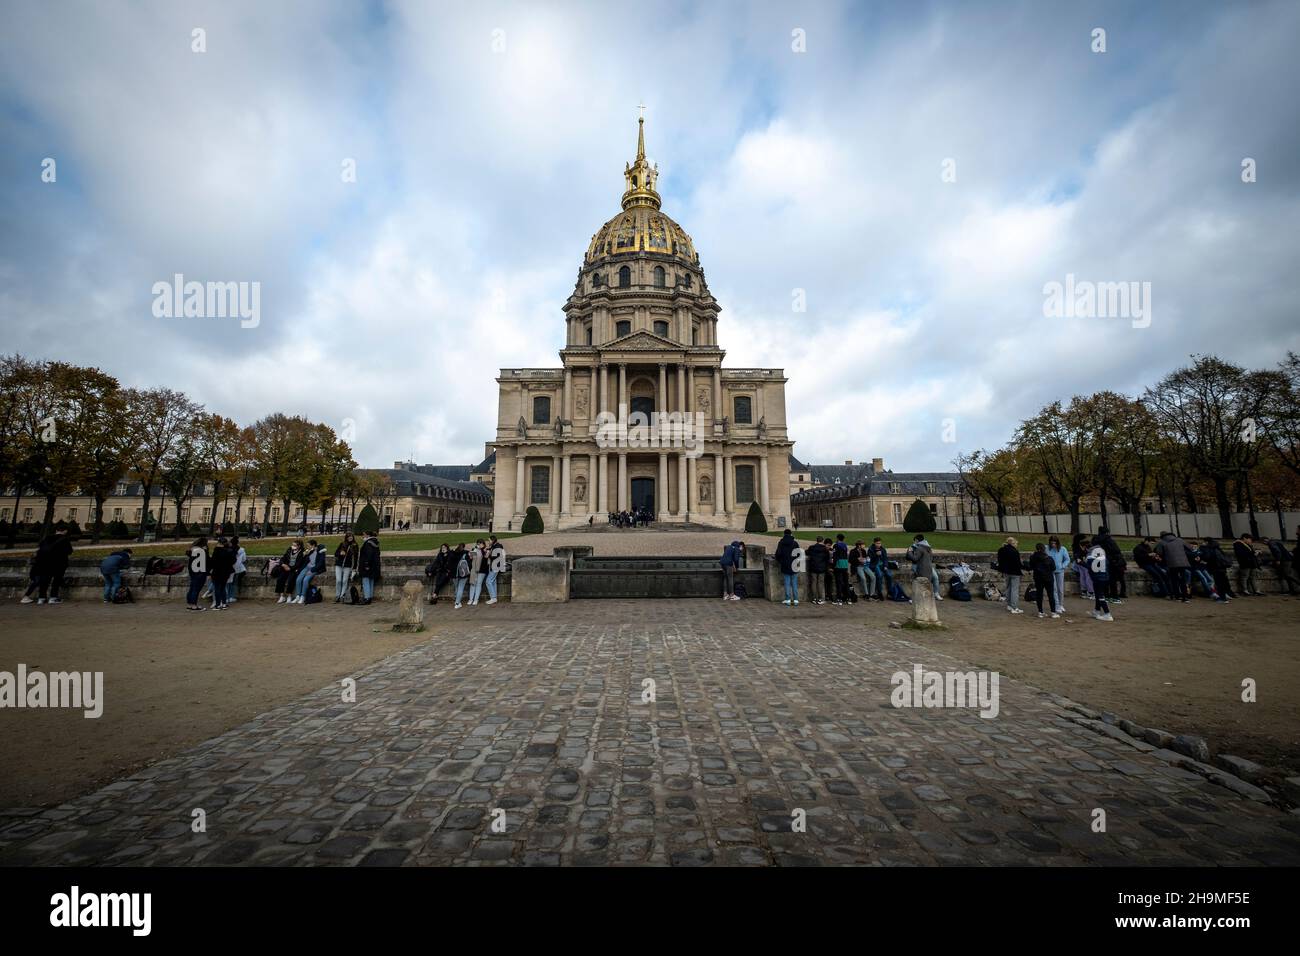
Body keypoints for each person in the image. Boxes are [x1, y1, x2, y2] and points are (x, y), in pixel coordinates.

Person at [1155, 531, 1190, 602]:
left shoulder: (1162, 542)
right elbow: (1190, 548)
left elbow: (1159, 553)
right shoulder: (1180, 540)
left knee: (1174, 580)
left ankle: (1177, 597)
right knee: (1183, 580)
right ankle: (1185, 597)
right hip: (1183, 563)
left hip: (1172, 563)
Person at [1095, 526, 1126, 604]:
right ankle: (1114, 596)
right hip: (1110, 561)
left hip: (1099, 561)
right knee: (1112, 580)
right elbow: (1116, 551)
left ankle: (1106, 595)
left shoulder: (1095, 540)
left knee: (1103, 579)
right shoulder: (1109, 540)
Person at [1085, 537, 1113, 621]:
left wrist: (1081, 562)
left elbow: (1089, 565)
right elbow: (1107, 563)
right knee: (1098, 594)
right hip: (1104, 576)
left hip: (1098, 577)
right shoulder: (1102, 552)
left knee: (1100, 595)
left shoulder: (1091, 552)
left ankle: (1107, 614)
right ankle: (1096, 611)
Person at [905, 534, 939, 603]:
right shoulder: (928, 547)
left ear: (917, 540)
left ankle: (915, 598)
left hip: (921, 567)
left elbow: (915, 558)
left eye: (915, 541)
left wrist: (909, 552)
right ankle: (929, 597)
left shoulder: (920, 548)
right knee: (926, 582)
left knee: (919, 582)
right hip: (926, 567)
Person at [1029, 543, 1058, 618]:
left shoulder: (1033, 557)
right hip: (1048, 578)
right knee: (1051, 595)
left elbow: (1031, 566)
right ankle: (1053, 612)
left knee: (1039, 594)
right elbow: (1053, 568)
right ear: (1044, 549)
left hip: (1038, 578)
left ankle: (1040, 612)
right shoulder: (1049, 558)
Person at [995, 536, 1024, 614]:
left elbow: (1000, 561)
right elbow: (1018, 563)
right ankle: (1014, 607)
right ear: (1013, 543)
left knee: (1008, 588)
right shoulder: (1014, 551)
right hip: (1015, 572)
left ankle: (1009, 605)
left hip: (1006, 571)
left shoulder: (1001, 550)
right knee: (1014, 590)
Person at [1046, 535, 1070, 614]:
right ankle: (1056, 606)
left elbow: (1067, 559)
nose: (1053, 545)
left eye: (1054, 543)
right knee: (1054, 589)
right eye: (1051, 543)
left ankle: (1061, 604)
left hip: (1060, 571)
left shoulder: (1063, 549)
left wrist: (1063, 566)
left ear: (1057, 543)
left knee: (1060, 589)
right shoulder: (1047, 548)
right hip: (1050, 571)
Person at [775, 529, 800, 606]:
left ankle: (788, 599)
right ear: (791, 534)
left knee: (787, 583)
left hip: (785, 564)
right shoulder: (795, 543)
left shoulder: (781, 543)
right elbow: (799, 553)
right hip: (794, 564)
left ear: (784, 534)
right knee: (794, 583)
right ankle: (795, 600)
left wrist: (781, 561)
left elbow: (778, 554)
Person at [208, 537, 234, 610]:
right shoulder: (229, 551)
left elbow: (213, 562)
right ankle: (224, 604)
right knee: (223, 588)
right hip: (226, 572)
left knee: (217, 588)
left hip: (217, 572)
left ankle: (218, 604)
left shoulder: (217, 550)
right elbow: (233, 561)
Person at [186, 536, 210, 611]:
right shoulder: (203, 551)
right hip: (200, 571)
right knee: (196, 589)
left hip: (193, 571)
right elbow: (207, 561)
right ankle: (194, 605)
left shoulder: (193, 550)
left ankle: (190, 604)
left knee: (192, 588)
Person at [357, 531, 382, 604]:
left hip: (367, 565)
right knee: (371, 581)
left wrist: (366, 564)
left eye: (364, 535)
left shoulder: (368, 543)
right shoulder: (375, 542)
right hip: (374, 565)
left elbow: (368, 555)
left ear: (368, 535)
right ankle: (370, 596)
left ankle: (367, 598)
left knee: (365, 581)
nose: (362, 536)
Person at [333, 532, 359, 602]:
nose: (350, 538)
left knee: (345, 581)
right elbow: (335, 553)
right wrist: (340, 553)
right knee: (338, 580)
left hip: (347, 565)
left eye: (351, 536)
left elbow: (356, 557)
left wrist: (354, 568)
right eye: (348, 536)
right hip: (339, 564)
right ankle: (337, 595)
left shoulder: (355, 545)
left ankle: (342, 595)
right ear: (346, 537)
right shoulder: (342, 544)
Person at [805, 536, 830, 605]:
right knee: (820, 583)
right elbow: (827, 559)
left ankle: (814, 598)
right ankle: (820, 599)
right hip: (822, 568)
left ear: (816, 540)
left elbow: (806, 552)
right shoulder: (825, 549)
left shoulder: (812, 547)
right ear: (822, 541)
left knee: (813, 583)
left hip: (813, 567)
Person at [850, 540, 875, 604]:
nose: (864, 546)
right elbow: (850, 560)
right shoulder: (853, 551)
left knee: (873, 577)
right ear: (859, 545)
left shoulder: (863, 551)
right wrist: (858, 559)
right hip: (858, 566)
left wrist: (867, 558)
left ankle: (871, 594)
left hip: (865, 566)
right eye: (863, 545)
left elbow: (865, 558)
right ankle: (866, 594)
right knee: (863, 579)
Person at [1071, 533, 1094, 600]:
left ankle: (1085, 592)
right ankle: (1090, 592)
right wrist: (1087, 566)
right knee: (1087, 577)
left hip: (1082, 564)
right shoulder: (1077, 549)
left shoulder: (1081, 547)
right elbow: (1078, 560)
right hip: (1082, 565)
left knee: (1084, 576)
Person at [831, 534, 852, 605]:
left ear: (837, 538)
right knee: (846, 582)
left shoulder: (836, 545)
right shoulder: (845, 545)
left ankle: (839, 599)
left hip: (839, 565)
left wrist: (833, 566)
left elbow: (835, 556)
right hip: (845, 564)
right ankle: (848, 598)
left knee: (839, 583)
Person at [466, 539, 488, 606]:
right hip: (474, 570)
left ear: (483, 544)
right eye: (478, 543)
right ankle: (470, 599)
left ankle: (476, 599)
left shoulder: (485, 550)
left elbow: (486, 557)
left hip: (482, 570)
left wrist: (482, 550)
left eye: (481, 543)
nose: (479, 545)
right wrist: (470, 554)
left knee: (478, 584)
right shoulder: (474, 549)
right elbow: (470, 558)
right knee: (473, 584)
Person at [486, 535, 506, 605]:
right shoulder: (495, 546)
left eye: (489, 540)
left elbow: (495, 556)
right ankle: (494, 598)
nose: (488, 542)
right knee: (493, 581)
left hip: (495, 566)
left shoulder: (497, 546)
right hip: (495, 566)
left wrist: (488, 555)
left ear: (492, 540)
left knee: (488, 581)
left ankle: (493, 598)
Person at [227, 536, 246, 604]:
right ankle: (231, 596)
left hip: (230, 568)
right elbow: (244, 559)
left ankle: (227, 597)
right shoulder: (242, 550)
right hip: (238, 568)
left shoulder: (229, 549)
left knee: (228, 583)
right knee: (233, 583)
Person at [452, 543, 470, 608]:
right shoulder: (466, 553)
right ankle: (457, 603)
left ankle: (457, 600)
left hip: (454, 574)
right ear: (464, 547)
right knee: (460, 588)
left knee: (457, 587)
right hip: (463, 573)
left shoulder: (452, 553)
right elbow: (469, 563)